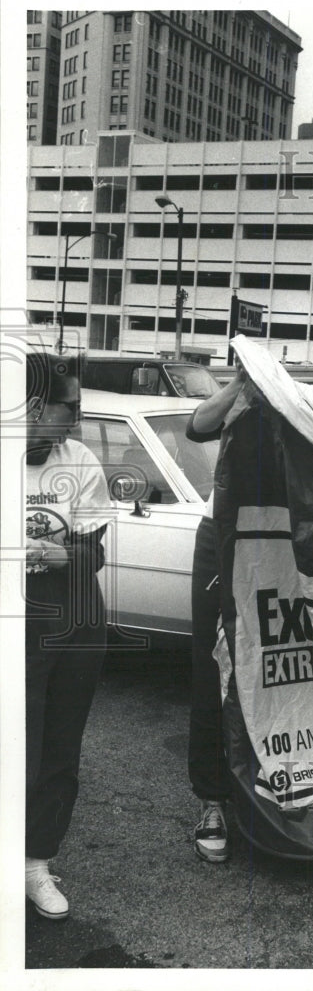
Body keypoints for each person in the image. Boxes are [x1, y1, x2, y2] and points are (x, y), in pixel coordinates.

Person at [185, 337, 313, 863]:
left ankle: (269, 792)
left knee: (284, 671)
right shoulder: (277, 396)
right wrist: (242, 383)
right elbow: (199, 426)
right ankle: (212, 799)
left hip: (300, 562)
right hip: (230, 546)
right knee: (217, 666)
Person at [24, 352, 111, 918]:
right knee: (15, 748)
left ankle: (36, 864)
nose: (77, 419)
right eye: (70, 407)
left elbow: (94, 550)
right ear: (33, 406)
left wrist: (63, 554)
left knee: (59, 747)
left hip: (74, 619)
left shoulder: (76, 459)